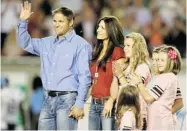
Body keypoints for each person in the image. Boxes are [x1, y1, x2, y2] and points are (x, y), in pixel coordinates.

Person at [16, 1, 92, 130]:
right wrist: (23, 22)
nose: (56, 24)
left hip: (68, 100)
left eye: (60, 21)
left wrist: (79, 103)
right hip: (48, 100)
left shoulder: (81, 45)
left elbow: (85, 77)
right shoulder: (46, 43)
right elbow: (24, 43)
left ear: (71, 22)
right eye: (55, 21)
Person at [130, 46, 182, 130]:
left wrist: (139, 82)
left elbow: (148, 98)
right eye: (156, 60)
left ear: (170, 62)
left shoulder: (166, 77)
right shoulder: (167, 77)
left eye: (162, 60)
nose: (157, 63)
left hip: (160, 123)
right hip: (158, 121)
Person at [89, 16, 125, 130]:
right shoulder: (96, 51)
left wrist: (111, 100)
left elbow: (118, 80)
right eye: (98, 27)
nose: (98, 30)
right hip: (93, 105)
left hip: (108, 103)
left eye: (102, 28)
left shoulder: (118, 51)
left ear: (111, 30)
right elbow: (93, 81)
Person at [113, 32, 151, 130]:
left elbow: (132, 92)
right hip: (124, 111)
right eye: (125, 45)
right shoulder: (127, 66)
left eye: (128, 45)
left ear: (137, 47)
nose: (125, 48)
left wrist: (120, 76)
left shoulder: (142, 67)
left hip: (137, 114)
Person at [151, 46, 184, 129]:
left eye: (159, 60)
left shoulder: (168, 78)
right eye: (154, 59)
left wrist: (164, 114)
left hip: (163, 123)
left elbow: (179, 103)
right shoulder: (160, 77)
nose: (156, 63)